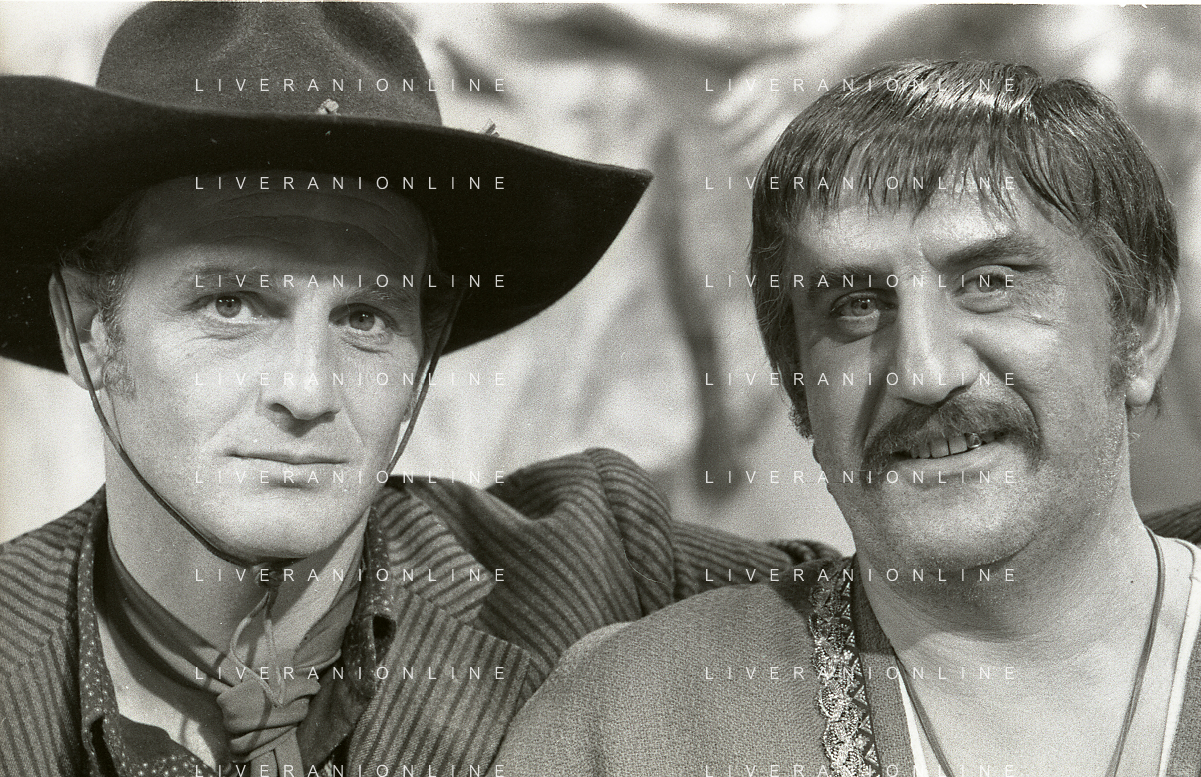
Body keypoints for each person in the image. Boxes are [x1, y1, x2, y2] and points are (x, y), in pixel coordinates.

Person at [0, 4, 836, 776]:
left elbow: (889, 621)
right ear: (88, 330)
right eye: (231, 304)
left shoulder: (590, 570)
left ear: (426, 346)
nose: (307, 389)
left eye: (364, 316)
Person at [495, 60, 1201, 776]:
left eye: (989, 283)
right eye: (856, 306)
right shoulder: (629, 720)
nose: (923, 373)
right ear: (797, 386)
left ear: (1140, 331)